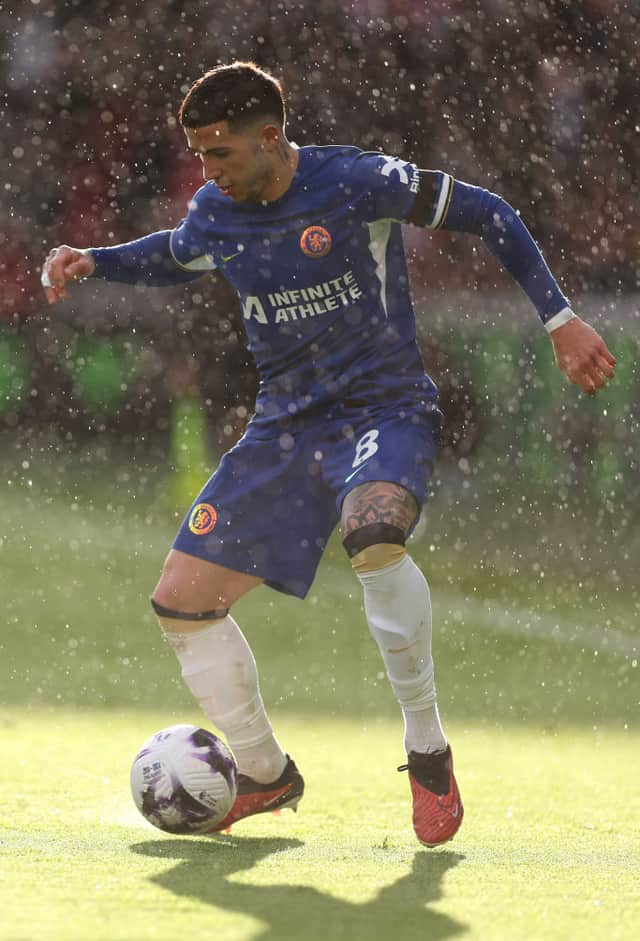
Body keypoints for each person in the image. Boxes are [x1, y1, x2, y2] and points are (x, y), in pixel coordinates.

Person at [41, 61, 616, 847]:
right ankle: (266, 773)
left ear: (271, 139)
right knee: (182, 600)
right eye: (200, 157)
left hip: (384, 408)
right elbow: (179, 254)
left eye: (220, 155)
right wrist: (96, 258)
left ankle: (426, 748)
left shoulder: (358, 181)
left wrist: (560, 320)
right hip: (285, 429)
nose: (207, 173)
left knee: (373, 533)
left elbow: (489, 213)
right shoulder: (218, 208)